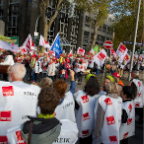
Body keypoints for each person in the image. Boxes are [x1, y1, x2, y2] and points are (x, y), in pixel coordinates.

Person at [0, 63, 41, 143]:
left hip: (5, 136)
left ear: (12, 75)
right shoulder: (36, 90)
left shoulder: (3, 88)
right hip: (26, 136)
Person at [74, 74, 100, 144]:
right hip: (94, 125)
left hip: (83, 125)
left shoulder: (80, 95)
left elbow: (76, 107)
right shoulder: (100, 95)